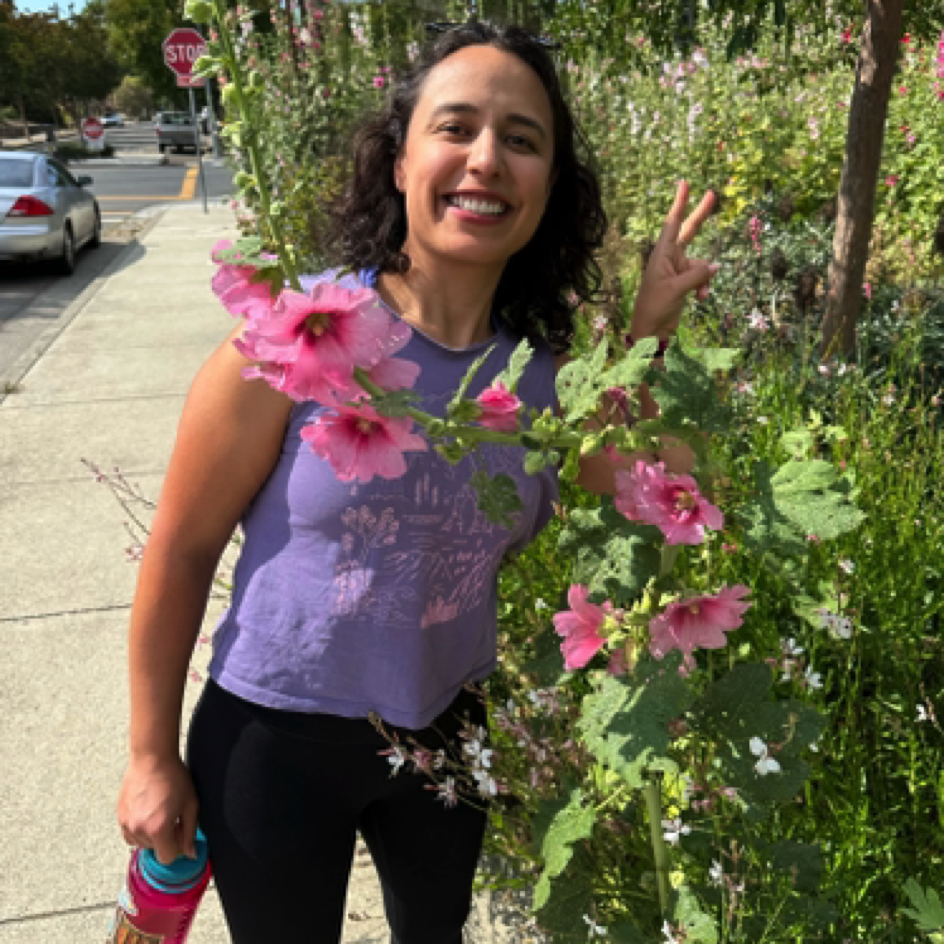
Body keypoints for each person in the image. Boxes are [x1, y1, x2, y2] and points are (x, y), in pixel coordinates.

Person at [116, 21, 717, 944]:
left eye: (522, 140)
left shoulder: (543, 381)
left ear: (548, 188)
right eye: (457, 128)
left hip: (446, 730)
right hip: (275, 737)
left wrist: (650, 333)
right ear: (399, 162)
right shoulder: (294, 337)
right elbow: (183, 548)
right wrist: (151, 755)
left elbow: (644, 486)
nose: (486, 159)